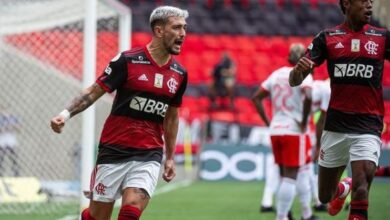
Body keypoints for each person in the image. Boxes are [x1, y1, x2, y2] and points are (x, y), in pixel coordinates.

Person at [50, 6, 188, 220]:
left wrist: (169, 157)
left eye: (184, 28)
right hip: (113, 150)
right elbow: (94, 92)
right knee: (97, 216)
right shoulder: (128, 60)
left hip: (148, 153)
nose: (183, 33)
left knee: (132, 208)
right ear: (159, 31)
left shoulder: (179, 74)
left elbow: (171, 116)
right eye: (177, 27)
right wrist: (65, 114)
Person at [289, 0, 388, 219]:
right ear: (347, 4)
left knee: (362, 188)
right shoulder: (327, 37)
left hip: (368, 125)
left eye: (371, 1)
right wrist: (298, 71)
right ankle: (343, 188)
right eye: (364, 1)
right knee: (325, 196)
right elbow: (294, 81)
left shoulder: (381, 38)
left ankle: (354, 187)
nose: (370, 6)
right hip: (336, 127)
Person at [252, 43, 318, 220]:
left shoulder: (275, 74)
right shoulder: (304, 74)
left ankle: (296, 214)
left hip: (276, 129)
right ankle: (282, 217)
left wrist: (269, 122)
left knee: (284, 174)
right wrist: (304, 121)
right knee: (293, 175)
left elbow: (256, 98)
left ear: (289, 56)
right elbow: (309, 96)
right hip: (294, 130)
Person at [309, 79, 330, 212]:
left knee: (305, 169)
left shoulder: (318, 85)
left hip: (287, 124)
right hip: (297, 128)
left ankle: (316, 201)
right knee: (304, 169)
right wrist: (318, 146)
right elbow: (321, 120)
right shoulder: (328, 91)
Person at [0, 108, 20, 177]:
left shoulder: (13, 118)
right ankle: (1, 174)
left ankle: (16, 174)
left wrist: (11, 127)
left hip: (11, 141)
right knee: (1, 159)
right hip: (2, 142)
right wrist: (5, 128)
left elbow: (18, 129)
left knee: (13, 159)